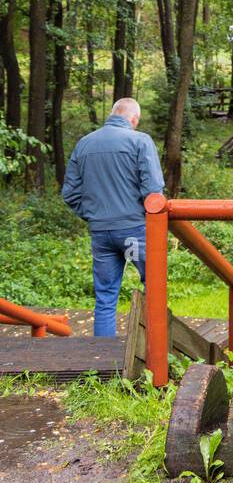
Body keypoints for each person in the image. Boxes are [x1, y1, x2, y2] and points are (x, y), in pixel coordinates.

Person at [62, 98, 165, 337]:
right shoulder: (140, 141)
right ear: (134, 119)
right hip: (134, 232)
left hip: (101, 234)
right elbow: (153, 189)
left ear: (112, 114)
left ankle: (103, 360)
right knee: (153, 287)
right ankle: (154, 350)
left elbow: (70, 193)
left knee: (105, 296)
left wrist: (92, 215)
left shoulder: (84, 144)